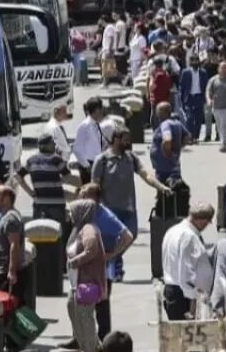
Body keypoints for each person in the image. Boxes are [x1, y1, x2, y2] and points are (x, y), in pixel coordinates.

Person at [91, 121, 172, 281]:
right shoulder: (102, 160)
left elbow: (145, 174)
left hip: (129, 208)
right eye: (125, 139)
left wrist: (160, 187)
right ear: (115, 139)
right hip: (109, 209)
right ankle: (114, 267)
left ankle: (112, 259)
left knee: (131, 235)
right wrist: (95, 206)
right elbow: (94, 184)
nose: (128, 143)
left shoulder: (131, 158)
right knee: (114, 239)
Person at [61, 184, 135, 349]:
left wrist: (111, 254)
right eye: (80, 195)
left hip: (100, 268)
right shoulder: (84, 213)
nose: (81, 199)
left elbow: (127, 236)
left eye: (85, 195)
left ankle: (103, 341)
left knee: (100, 306)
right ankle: (80, 338)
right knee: (76, 303)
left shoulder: (103, 216)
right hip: (82, 269)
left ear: (96, 198)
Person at [160, 203, 215, 352]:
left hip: (172, 290)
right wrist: (192, 302)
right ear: (200, 219)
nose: (206, 226)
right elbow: (186, 273)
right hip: (183, 294)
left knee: (177, 341)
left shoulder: (173, 230)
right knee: (189, 343)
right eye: (206, 222)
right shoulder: (189, 237)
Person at [65, 199, 107, 352]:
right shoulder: (79, 228)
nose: (69, 215)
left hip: (86, 282)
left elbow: (91, 250)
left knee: (85, 315)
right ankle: (91, 343)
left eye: (72, 211)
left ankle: (89, 351)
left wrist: (75, 261)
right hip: (76, 281)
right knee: (73, 308)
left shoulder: (88, 230)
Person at [0, 185, 32, 308]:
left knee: (11, 308)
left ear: (6, 199)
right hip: (3, 270)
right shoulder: (7, 217)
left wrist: (12, 271)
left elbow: (14, 244)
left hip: (8, 273)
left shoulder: (11, 218)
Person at [150, 102, 191, 186]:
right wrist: (178, 147)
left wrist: (168, 154)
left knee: (164, 192)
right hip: (174, 167)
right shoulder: (177, 123)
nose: (157, 114)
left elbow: (167, 140)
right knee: (175, 189)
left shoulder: (165, 124)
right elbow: (187, 137)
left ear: (163, 112)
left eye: (158, 111)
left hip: (164, 168)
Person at [73, 97, 108, 187]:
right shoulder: (85, 126)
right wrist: (87, 166)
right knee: (89, 195)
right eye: (100, 109)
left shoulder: (97, 124)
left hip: (98, 163)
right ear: (96, 110)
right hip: (88, 166)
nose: (101, 111)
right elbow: (77, 149)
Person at [206, 61, 226, 152]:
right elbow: (208, 91)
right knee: (219, 126)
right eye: (222, 67)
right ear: (218, 69)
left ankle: (223, 144)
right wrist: (209, 100)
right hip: (216, 107)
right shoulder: (213, 80)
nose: (223, 69)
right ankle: (222, 141)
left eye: (225, 68)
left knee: (223, 125)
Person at [180, 53, 209, 142]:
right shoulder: (186, 72)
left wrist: (206, 98)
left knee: (198, 119)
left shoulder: (203, 72)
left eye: (197, 60)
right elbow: (182, 86)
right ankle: (190, 137)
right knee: (189, 118)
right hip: (189, 98)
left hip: (199, 97)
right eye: (193, 60)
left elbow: (206, 86)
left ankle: (196, 136)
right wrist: (181, 99)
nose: (195, 62)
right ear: (190, 62)